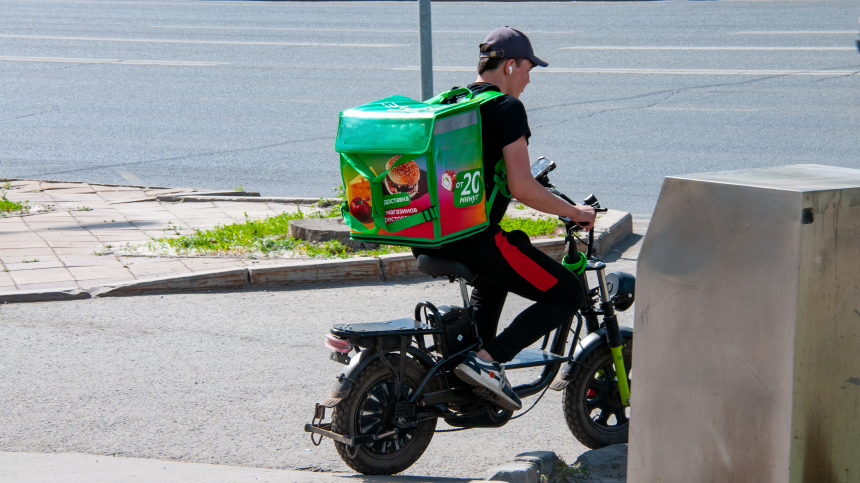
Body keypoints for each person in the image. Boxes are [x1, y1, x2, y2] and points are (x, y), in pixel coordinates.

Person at [414, 27, 595, 411]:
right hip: (472, 236)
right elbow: (523, 187)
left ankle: (466, 373)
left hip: (429, 234)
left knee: (494, 278)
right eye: (529, 67)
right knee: (567, 293)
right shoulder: (506, 109)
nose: (530, 78)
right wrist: (575, 212)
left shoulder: (452, 102)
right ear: (510, 66)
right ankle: (487, 362)